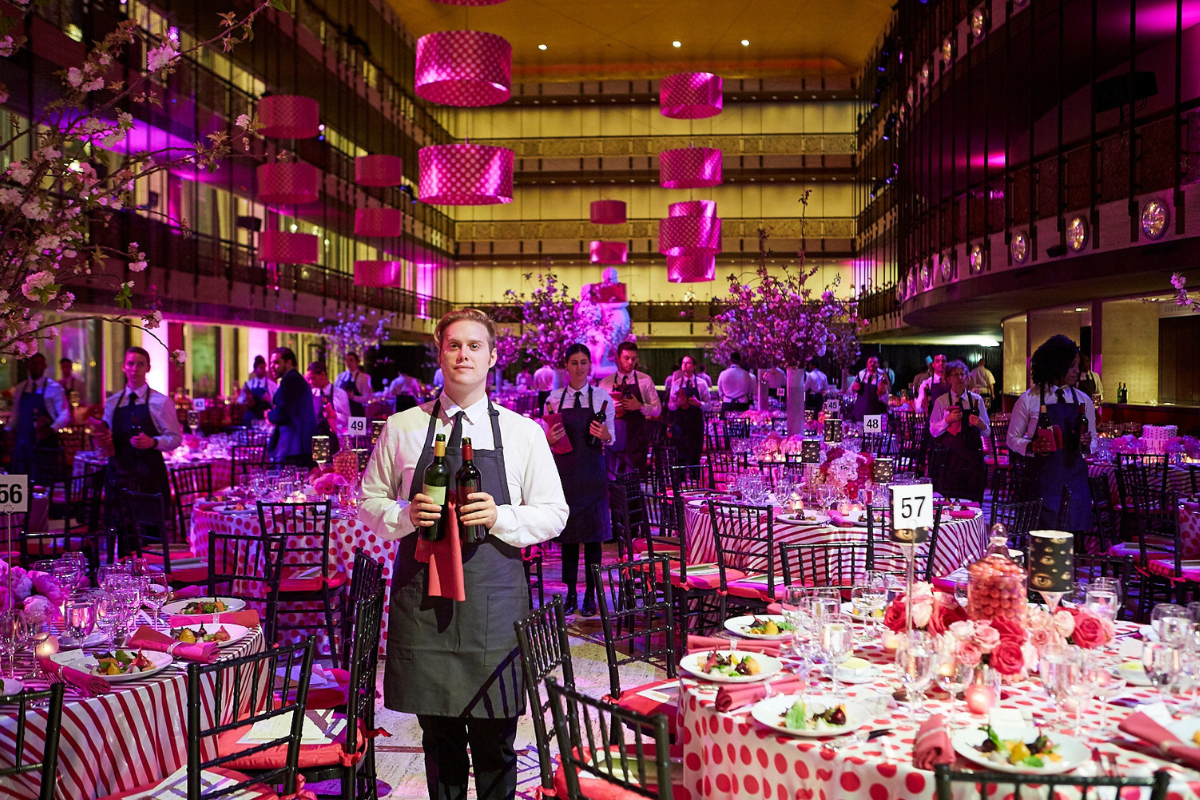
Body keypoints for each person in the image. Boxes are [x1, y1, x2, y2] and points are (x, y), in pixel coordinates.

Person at [359, 308, 567, 800]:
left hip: (493, 610)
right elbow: (368, 503)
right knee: (440, 742)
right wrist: (407, 514)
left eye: (475, 346)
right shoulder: (402, 428)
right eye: (454, 345)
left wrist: (502, 518)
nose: (463, 354)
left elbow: (554, 513)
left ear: (493, 357)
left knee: (496, 744)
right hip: (424, 607)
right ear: (440, 353)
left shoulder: (522, 433)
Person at [543, 344, 615, 616]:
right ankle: (571, 593)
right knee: (569, 540)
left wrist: (605, 434)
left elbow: (611, 439)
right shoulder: (553, 398)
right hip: (566, 477)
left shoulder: (601, 398)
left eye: (584, 362)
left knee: (594, 541)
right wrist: (549, 439)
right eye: (574, 362)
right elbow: (546, 440)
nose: (580, 367)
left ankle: (591, 597)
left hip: (593, 475)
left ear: (590, 365)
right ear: (566, 366)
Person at [1006, 334, 1096, 531]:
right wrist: (1031, 446)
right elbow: (1011, 439)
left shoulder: (1083, 400)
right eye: (1072, 365)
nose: (1077, 371)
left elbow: (1094, 441)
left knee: (1072, 542)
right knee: (1042, 542)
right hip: (1042, 483)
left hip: (1075, 482)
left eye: (1077, 365)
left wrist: (1087, 443)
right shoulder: (1029, 399)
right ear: (1057, 365)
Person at [94, 347, 182, 501]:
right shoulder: (112, 402)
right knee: (118, 523)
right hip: (118, 474)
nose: (135, 369)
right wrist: (103, 441)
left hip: (149, 474)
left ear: (148, 368)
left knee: (149, 523)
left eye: (140, 364)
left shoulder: (161, 402)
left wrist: (153, 442)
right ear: (124, 367)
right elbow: (106, 434)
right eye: (130, 364)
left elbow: (175, 438)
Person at [928, 360, 990, 502]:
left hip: (973, 457)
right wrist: (947, 421)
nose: (960, 378)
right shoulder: (941, 402)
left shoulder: (976, 400)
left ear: (967, 378)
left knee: (973, 497)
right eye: (956, 375)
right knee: (951, 498)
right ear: (949, 379)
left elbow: (987, 432)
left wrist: (981, 425)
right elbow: (933, 431)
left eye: (962, 375)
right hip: (951, 458)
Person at [599, 342, 661, 476]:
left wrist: (639, 406)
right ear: (618, 358)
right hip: (613, 439)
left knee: (634, 483)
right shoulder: (605, 383)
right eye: (626, 358)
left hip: (636, 440)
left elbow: (657, 409)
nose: (630, 362)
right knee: (612, 481)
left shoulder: (645, 380)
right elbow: (597, 413)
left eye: (634, 359)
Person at [7, 353, 70, 476]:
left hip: (44, 443)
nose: (36, 366)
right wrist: (7, 430)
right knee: (20, 479)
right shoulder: (20, 388)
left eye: (39, 363)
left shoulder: (55, 388)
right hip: (22, 443)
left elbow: (64, 414)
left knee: (43, 483)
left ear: (44, 366)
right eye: (33, 363)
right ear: (28, 365)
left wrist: (52, 429)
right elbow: (16, 415)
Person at [267, 347, 317, 468]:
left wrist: (269, 415)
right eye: (271, 363)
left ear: (289, 362)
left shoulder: (289, 380)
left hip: (291, 445)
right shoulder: (297, 379)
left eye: (276, 362)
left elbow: (284, 412)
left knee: (287, 483)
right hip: (299, 444)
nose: (272, 367)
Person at [666, 354, 711, 467]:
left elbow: (709, 405)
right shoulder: (676, 383)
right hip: (680, 423)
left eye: (688, 363)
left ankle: (695, 480)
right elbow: (670, 405)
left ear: (694, 366)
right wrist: (677, 404)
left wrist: (698, 403)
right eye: (683, 363)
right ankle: (681, 481)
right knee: (680, 452)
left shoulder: (701, 383)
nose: (685, 365)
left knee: (696, 452)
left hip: (695, 422)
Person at [307, 361, 351, 456]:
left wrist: (334, 415)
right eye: (309, 379)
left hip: (333, 439)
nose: (311, 382)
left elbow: (347, 419)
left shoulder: (340, 394)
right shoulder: (311, 394)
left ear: (323, 374)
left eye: (313, 378)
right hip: (315, 440)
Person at [236, 355, 277, 425]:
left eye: (264, 368)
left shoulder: (271, 384)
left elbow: (278, 400)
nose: (264, 370)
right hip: (251, 416)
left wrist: (270, 399)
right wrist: (246, 399)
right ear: (255, 370)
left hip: (265, 416)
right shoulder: (248, 385)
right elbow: (239, 400)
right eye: (261, 368)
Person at [849, 355, 890, 422]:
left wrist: (884, 392)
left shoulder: (881, 379)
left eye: (875, 362)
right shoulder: (860, 376)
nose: (872, 364)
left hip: (873, 417)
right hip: (859, 414)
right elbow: (850, 392)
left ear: (878, 365)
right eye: (870, 362)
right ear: (867, 364)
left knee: (872, 433)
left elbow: (886, 400)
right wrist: (853, 388)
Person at [336, 352, 372, 418]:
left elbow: (366, 398)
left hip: (356, 413)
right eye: (347, 360)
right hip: (342, 412)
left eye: (351, 360)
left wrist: (353, 397)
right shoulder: (340, 376)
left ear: (357, 362)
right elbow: (334, 393)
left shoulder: (363, 378)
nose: (348, 362)